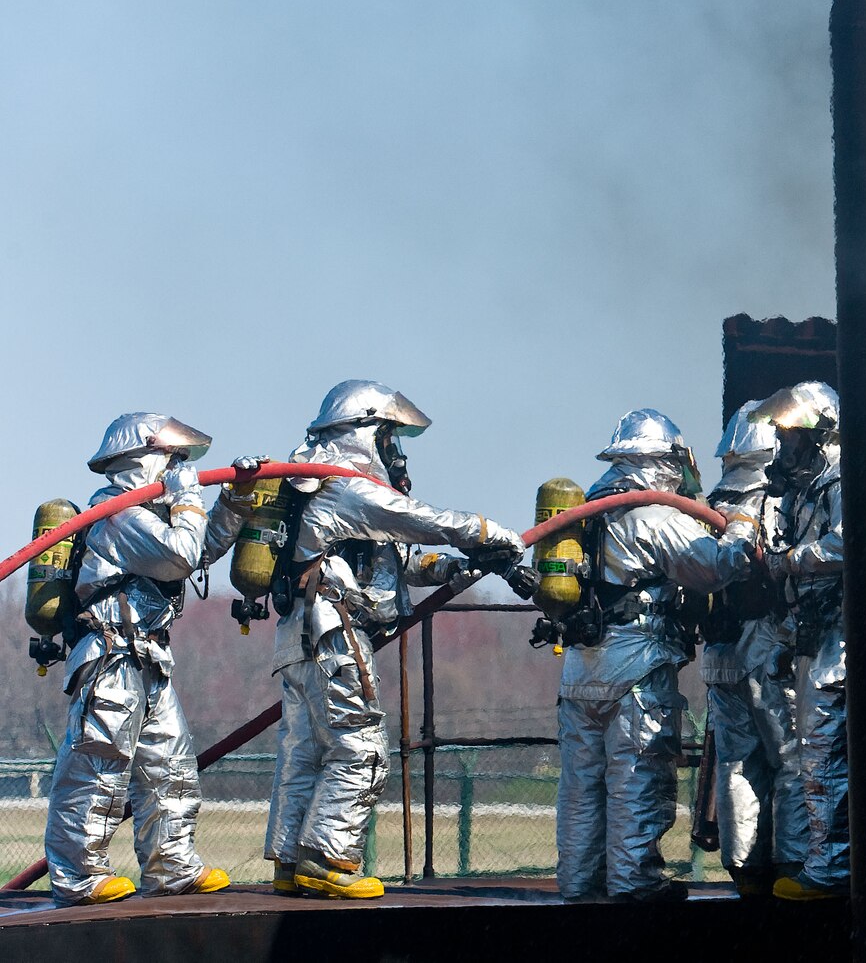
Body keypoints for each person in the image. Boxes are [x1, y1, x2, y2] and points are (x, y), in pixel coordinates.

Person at [266, 380, 524, 899]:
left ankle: (292, 862)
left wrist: (457, 568)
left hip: (300, 640)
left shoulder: (320, 490)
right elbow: (418, 520)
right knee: (361, 747)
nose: (395, 453)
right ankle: (330, 860)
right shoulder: (346, 486)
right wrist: (491, 534)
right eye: (390, 439)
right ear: (365, 434)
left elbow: (395, 559)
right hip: (334, 633)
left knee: (307, 753)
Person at [514, 409, 761, 903]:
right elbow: (716, 568)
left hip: (580, 670)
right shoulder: (656, 516)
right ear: (666, 461)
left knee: (581, 788)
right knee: (637, 777)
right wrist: (740, 525)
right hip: (637, 672)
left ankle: (580, 883)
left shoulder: (585, 511)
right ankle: (635, 883)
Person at [44, 413, 238, 905]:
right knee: (96, 767)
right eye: (172, 457)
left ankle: (171, 868)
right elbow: (180, 555)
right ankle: (78, 876)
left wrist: (235, 502)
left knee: (170, 766)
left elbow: (200, 548)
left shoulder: (147, 513)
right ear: (144, 455)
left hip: (148, 656)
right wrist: (189, 496)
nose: (178, 466)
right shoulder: (118, 513)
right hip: (111, 656)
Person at [699, 401, 804, 896]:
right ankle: (792, 865)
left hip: (719, 653)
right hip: (768, 647)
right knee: (789, 757)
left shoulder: (711, 502)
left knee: (737, 762)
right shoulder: (778, 498)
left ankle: (744, 868)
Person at [753, 382, 847, 902]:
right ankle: (828, 864)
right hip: (815, 640)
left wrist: (790, 560)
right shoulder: (802, 490)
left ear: (819, 436)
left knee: (825, 756)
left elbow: (846, 543)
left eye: (791, 435)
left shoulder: (840, 481)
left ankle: (833, 871)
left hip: (840, 644)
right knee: (816, 756)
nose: (783, 445)